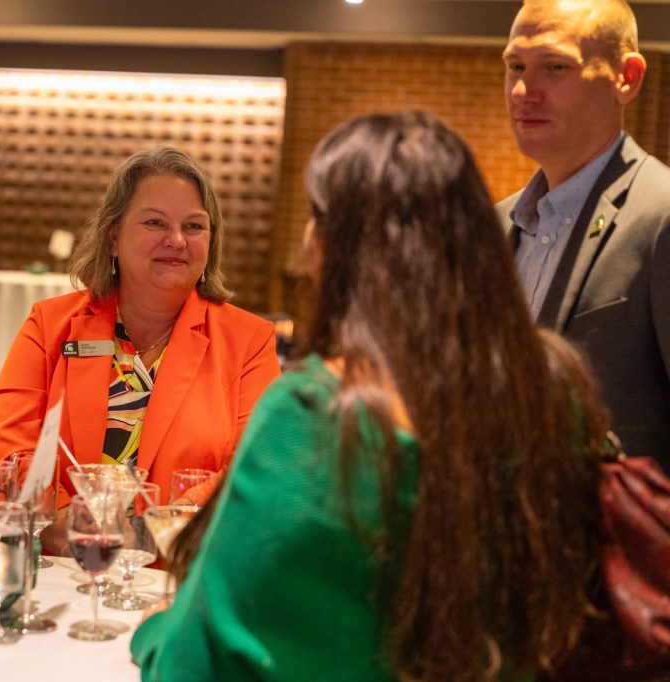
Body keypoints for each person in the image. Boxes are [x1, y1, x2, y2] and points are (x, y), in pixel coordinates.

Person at [130, 112, 610, 681]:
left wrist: (154, 629)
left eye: (315, 216)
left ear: (334, 243)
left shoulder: (314, 413)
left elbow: (195, 667)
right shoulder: (558, 390)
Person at [0, 146, 280, 548]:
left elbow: (253, 472)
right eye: (155, 222)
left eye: (194, 227)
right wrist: (72, 521)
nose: (176, 240)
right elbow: (11, 458)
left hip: (180, 579)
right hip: (68, 570)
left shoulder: (249, 342)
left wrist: (146, 533)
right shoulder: (48, 327)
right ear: (114, 238)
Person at [498, 0, 670, 464]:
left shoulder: (662, 215)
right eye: (515, 66)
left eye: (554, 67)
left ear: (626, 79)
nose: (523, 90)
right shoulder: (494, 226)